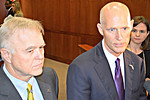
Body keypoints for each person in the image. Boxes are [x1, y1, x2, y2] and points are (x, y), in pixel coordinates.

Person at [67, 2, 146, 100]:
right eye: (112, 29)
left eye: (124, 28)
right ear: (101, 29)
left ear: (131, 25)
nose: (119, 37)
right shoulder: (80, 67)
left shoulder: (137, 62)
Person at [0, 16, 58, 100]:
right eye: (30, 51)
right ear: (6, 55)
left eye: (41, 47)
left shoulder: (49, 76)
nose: (40, 57)